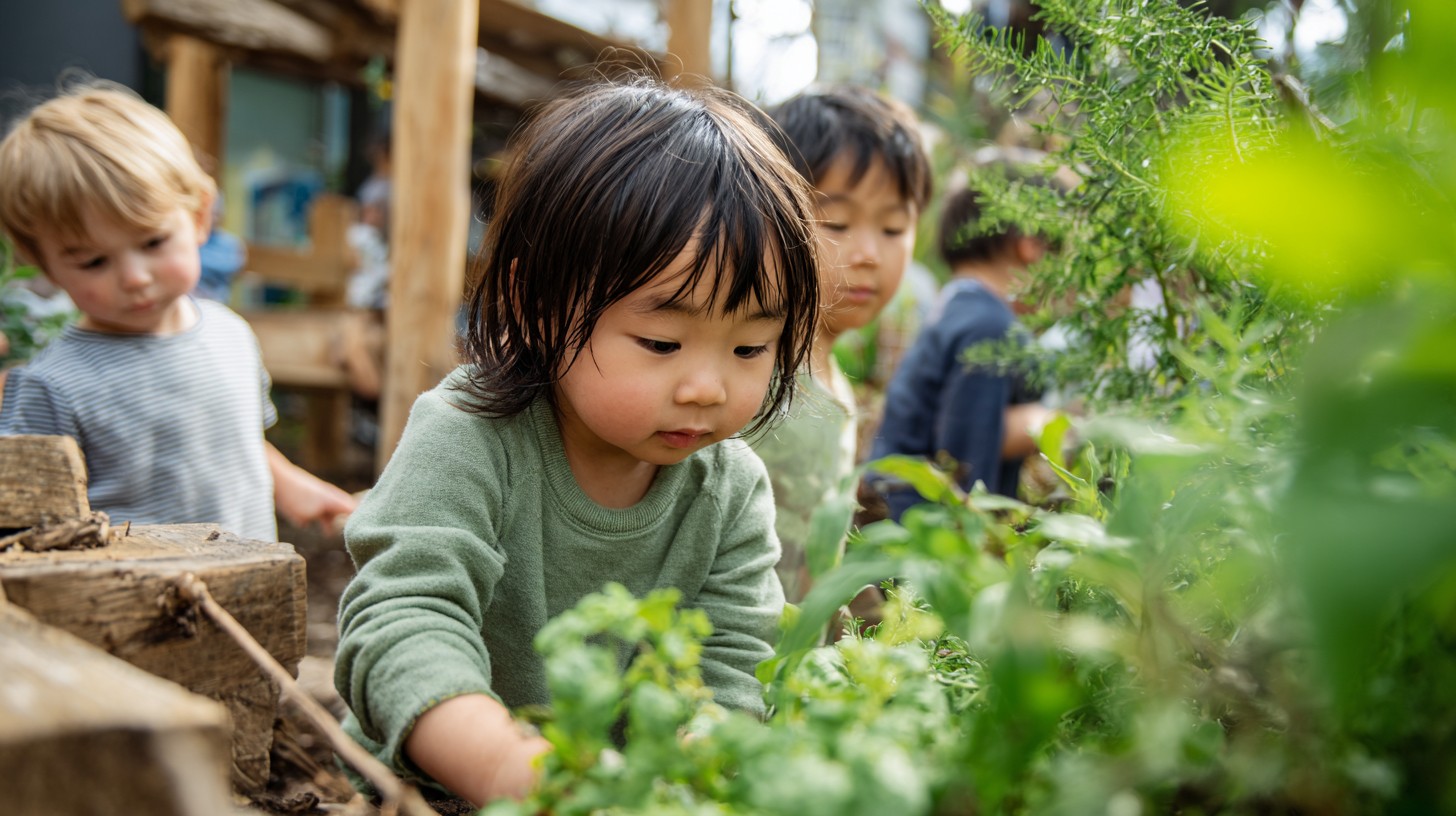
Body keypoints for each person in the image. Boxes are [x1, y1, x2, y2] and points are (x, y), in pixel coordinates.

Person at [332, 76, 820, 807]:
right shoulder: (471, 435)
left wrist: (693, 759)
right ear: (537, 304)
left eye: (751, 348)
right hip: (427, 789)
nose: (707, 388)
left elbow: (732, 664)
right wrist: (505, 768)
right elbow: (404, 618)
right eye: (661, 341)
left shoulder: (729, 488)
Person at [0, 82, 358, 541]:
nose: (134, 277)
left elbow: (236, 440)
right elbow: (23, 518)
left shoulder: (232, 336)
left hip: (255, 591)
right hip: (121, 604)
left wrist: (289, 484)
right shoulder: (50, 386)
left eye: (152, 242)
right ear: (42, 261)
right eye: (93, 261)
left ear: (199, 216)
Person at [746, 85, 931, 603]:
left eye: (893, 227)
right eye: (838, 223)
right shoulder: (753, 374)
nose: (868, 253)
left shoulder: (830, 377)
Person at [867, 162, 1058, 521]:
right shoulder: (990, 327)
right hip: (920, 535)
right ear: (1031, 245)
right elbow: (964, 461)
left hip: (892, 517)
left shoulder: (960, 308)